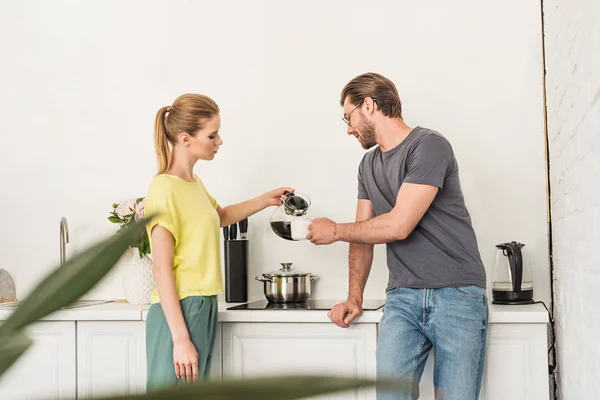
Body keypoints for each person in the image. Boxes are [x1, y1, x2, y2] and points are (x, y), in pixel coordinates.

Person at [307, 73, 488, 400]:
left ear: (369, 105)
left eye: (348, 118)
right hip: (403, 298)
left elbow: (399, 224)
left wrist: (334, 230)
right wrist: (354, 297)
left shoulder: (429, 146)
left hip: (457, 295)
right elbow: (363, 236)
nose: (348, 128)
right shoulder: (367, 165)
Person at [143, 93, 292, 391]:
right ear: (186, 138)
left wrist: (266, 199)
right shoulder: (163, 189)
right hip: (180, 309)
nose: (219, 141)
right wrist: (181, 338)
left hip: (203, 304)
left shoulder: (193, 184)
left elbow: (220, 215)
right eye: (212, 135)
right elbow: (161, 269)